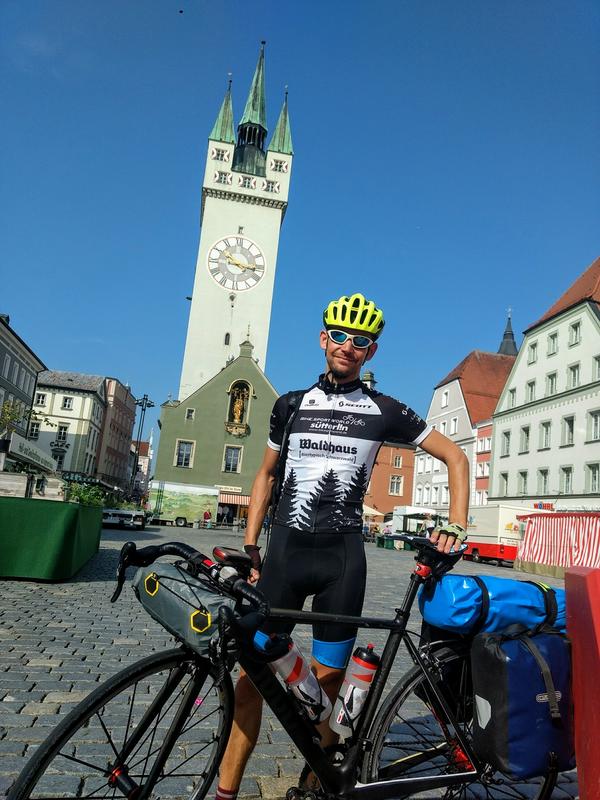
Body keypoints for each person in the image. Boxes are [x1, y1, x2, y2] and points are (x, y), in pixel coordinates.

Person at [214, 293, 469, 800]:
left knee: (329, 682)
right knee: (252, 680)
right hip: (285, 555)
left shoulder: (384, 410)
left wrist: (456, 528)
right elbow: (265, 476)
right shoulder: (289, 405)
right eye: (339, 336)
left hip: (342, 563)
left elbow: (456, 460)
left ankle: (318, 782)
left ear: (370, 353)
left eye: (361, 341)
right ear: (323, 338)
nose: (347, 347)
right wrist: (249, 545)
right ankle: (225, 792)